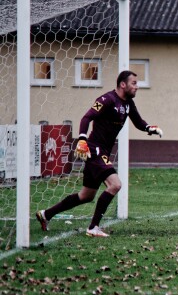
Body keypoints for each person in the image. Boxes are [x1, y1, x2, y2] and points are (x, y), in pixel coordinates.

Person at [35, 71, 163, 237]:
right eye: (134, 83)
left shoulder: (128, 103)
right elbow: (86, 118)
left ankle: (46, 214)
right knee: (115, 184)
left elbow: (138, 122)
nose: (137, 87)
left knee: (86, 196)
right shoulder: (106, 99)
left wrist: (149, 129)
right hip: (95, 150)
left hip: (102, 152)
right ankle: (93, 227)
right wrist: (81, 139)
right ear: (123, 84)